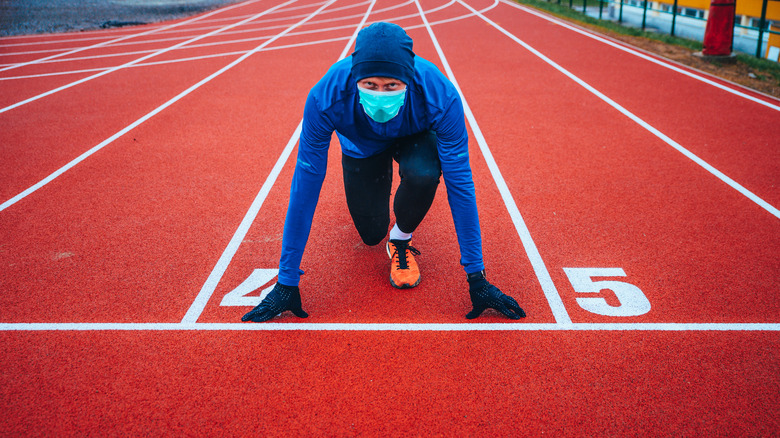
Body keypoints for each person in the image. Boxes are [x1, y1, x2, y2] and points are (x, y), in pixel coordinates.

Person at [242, 22, 526, 322]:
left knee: (424, 174)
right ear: (355, 78)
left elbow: (460, 183)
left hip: (414, 137)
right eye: (370, 85)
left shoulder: (441, 95)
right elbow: (305, 184)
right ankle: (379, 207)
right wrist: (287, 281)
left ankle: (401, 238)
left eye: (391, 86)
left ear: (409, 78)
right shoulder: (324, 98)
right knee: (370, 235)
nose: (381, 94)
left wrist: (476, 278)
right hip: (362, 147)